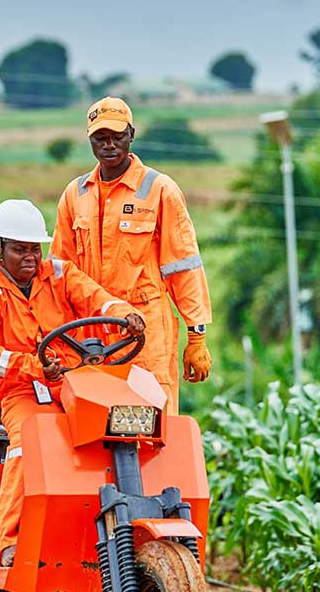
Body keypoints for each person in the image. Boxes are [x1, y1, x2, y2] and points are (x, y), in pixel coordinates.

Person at [0, 199, 144, 566]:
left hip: (74, 385)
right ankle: (10, 540)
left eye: (34, 249)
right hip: (21, 390)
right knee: (29, 443)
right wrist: (32, 366)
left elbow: (97, 300)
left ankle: (123, 528)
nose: (30, 257)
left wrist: (126, 314)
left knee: (118, 434)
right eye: (19, 249)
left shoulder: (60, 275)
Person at [52, 96, 212, 415]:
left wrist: (197, 335)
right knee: (92, 428)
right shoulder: (75, 195)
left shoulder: (159, 190)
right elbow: (60, 272)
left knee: (152, 425)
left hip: (144, 331)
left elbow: (183, 266)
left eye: (116, 136)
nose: (109, 145)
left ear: (131, 135)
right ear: (90, 140)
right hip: (90, 334)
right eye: (100, 138)